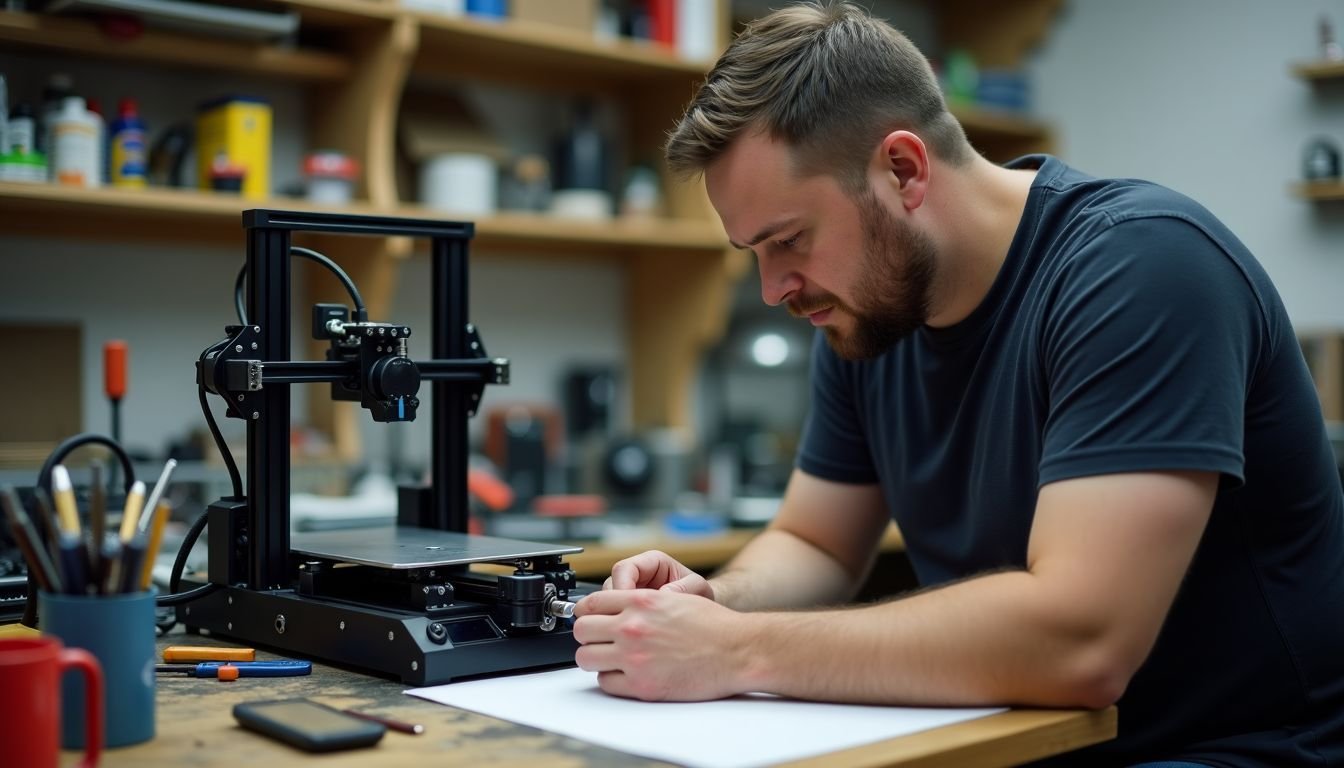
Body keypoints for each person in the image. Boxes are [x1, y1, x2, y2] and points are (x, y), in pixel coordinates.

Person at [570, 2, 1344, 765]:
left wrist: (737, 650)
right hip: (1017, 741)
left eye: (790, 240)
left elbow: (1083, 643)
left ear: (903, 170)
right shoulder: (865, 315)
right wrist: (710, 605)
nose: (774, 289)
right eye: (755, 253)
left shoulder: (1142, 269)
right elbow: (816, 541)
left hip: (1233, 750)